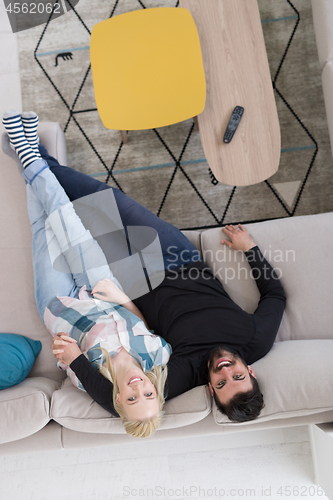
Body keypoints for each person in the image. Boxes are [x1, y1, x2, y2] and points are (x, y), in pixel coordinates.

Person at [2, 112, 287, 425]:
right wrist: (251, 250)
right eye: (237, 375)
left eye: (221, 384)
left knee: (84, 210)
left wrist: (78, 363)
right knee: (103, 196)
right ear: (251, 371)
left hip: (129, 280)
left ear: (210, 388)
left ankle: (27, 153)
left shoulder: (182, 374)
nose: (224, 369)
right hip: (178, 257)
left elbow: (118, 405)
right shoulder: (257, 339)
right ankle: (29, 154)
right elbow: (275, 294)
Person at [2, 110, 172, 438]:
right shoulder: (159, 356)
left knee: (42, 229)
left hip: (59, 303)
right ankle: (27, 150)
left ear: (119, 401)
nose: (139, 388)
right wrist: (122, 298)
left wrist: (66, 352)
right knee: (66, 219)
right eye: (148, 395)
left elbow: (64, 352)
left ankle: (27, 152)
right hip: (100, 287)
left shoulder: (89, 378)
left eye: (133, 398)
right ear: (156, 390)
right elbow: (145, 324)